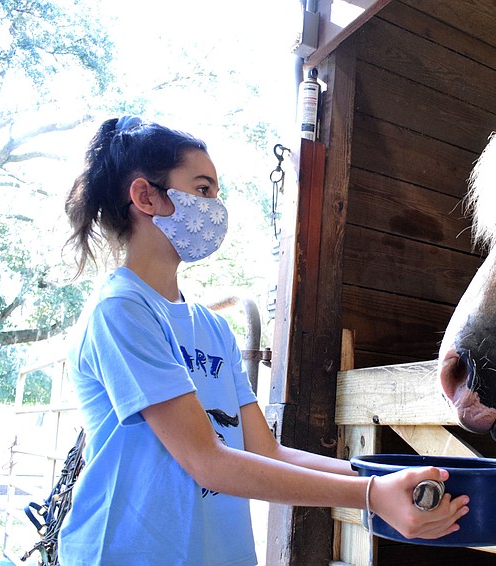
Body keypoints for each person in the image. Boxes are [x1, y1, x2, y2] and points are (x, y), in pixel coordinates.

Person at [58, 116, 470, 565]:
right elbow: (207, 461)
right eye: (202, 190)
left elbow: (263, 449)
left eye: (215, 192)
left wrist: (378, 475)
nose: (215, 206)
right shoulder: (122, 312)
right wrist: (371, 494)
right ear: (147, 197)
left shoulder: (212, 328)